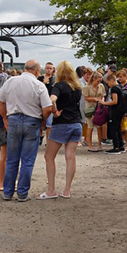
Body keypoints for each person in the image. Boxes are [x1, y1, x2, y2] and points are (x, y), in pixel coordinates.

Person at [0, 60, 53, 202]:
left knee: (11, 159)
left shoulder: (11, 81)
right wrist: (43, 121)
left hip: (13, 120)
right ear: (37, 71)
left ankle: (7, 192)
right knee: (27, 160)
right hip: (32, 121)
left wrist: (4, 117)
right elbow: (47, 108)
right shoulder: (39, 85)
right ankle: (22, 193)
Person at [39, 61, 83, 199]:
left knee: (49, 157)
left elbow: (52, 98)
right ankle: (67, 190)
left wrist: (54, 110)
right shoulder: (77, 87)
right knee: (70, 157)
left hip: (62, 124)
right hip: (76, 124)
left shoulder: (58, 86)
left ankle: (51, 190)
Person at [99, 73, 125, 154]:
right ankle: (121, 146)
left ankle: (116, 147)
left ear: (112, 80)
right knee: (118, 128)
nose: (108, 85)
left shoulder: (114, 89)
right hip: (121, 110)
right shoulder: (120, 87)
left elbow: (114, 101)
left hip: (115, 111)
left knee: (114, 128)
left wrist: (104, 103)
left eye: (108, 83)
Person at [83, 72, 106, 151]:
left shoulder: (101, 86)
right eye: (98, 81)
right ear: (93, 79)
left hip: (99, 108)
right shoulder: (87, 87)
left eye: (100, 81)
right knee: (90, 127)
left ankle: (100, 144)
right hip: (90, 108)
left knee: (99, 126)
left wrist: (102, 101)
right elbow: (85, 98)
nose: (99, 83)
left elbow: (103, 96)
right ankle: (90, 145)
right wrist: (93, 99)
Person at [38, 61, 56, 143]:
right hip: (41, 103)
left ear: (53, 70)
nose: (49, 70)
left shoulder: (54, 79)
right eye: (47, 68)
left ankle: (48, 141)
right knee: (40, 121)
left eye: (50, 68)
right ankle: (39, 137)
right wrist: (43, 83)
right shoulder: (40, 79)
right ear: (45, 69)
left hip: (50, 103)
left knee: (49, 124)